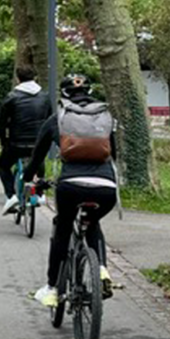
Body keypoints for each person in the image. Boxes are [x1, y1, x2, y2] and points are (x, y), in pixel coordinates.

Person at [30, 74, 117, 307]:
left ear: (64, 94)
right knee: (93, 222)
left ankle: (51, 289)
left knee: (63, 226)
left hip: (71, 186)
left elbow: (38, 154)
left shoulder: (57, 119)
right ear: (89, 92)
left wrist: (30, 178)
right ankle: (101, 269)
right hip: (106, 187)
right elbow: (114, 154)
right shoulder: (105, 117)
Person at [0, 64, 51, 215]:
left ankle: (11, 196)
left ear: (18, 78)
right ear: (35, 77)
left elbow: (1, 122)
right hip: (38, 143)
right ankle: (39, 193)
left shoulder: (12, 97)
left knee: (3, 166)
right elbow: (50, 120)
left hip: (16, 143)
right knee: (38, 160)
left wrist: (4, 141)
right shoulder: (45, 97)